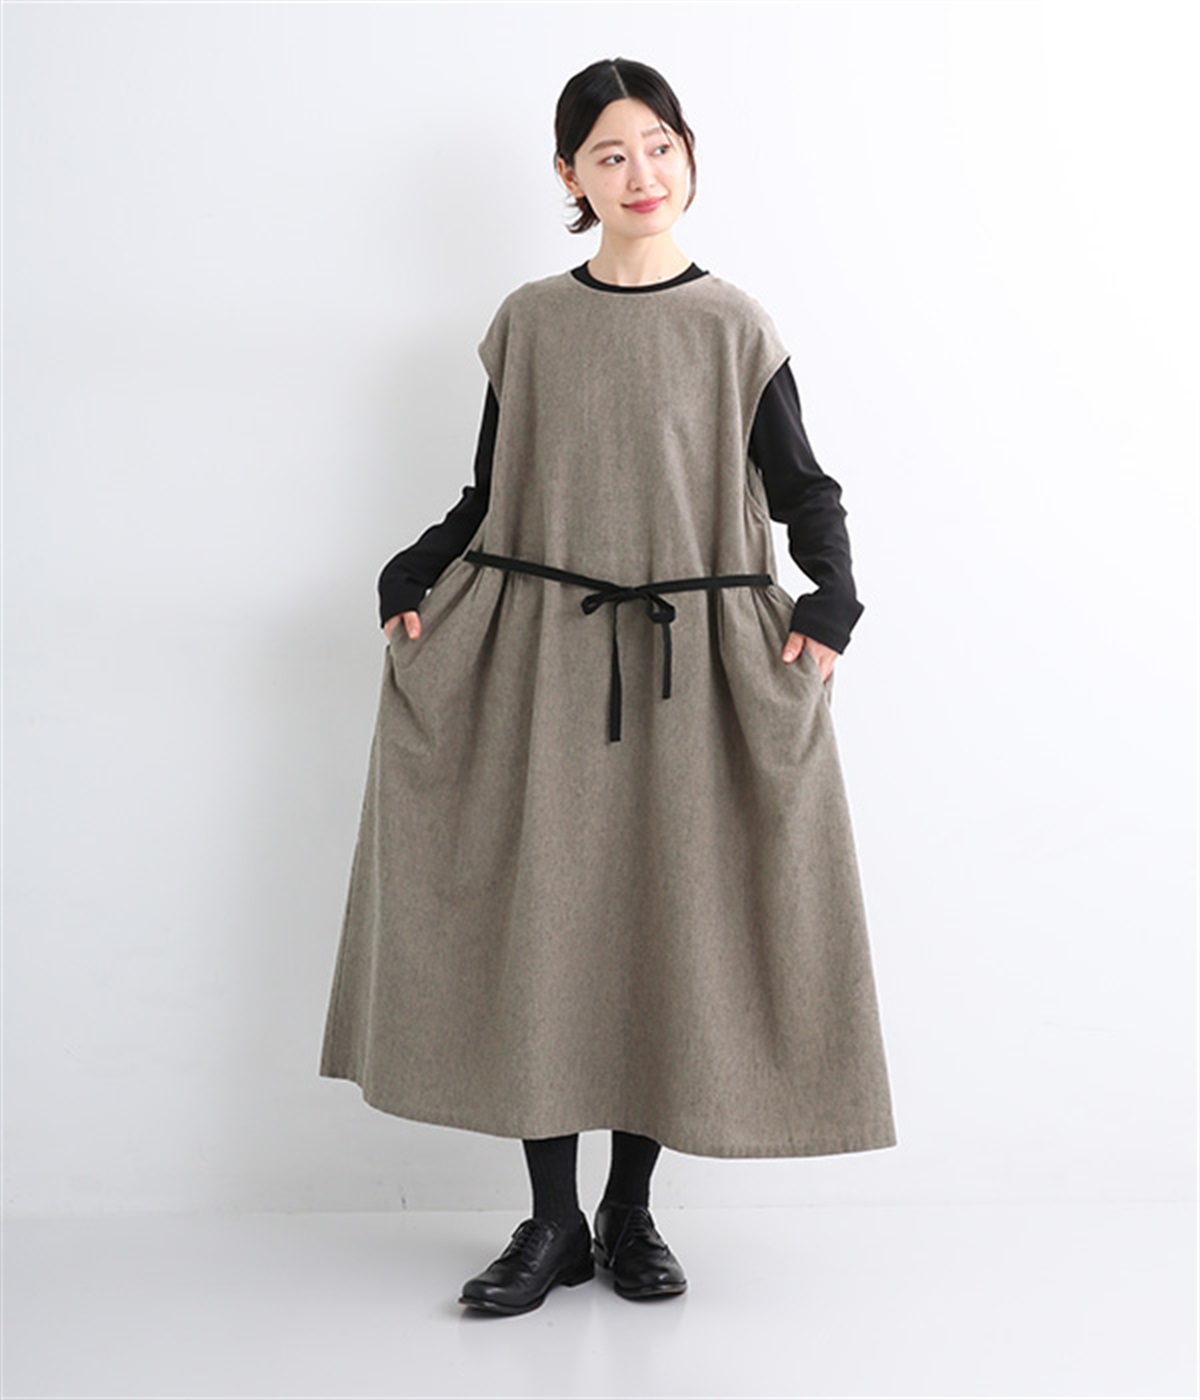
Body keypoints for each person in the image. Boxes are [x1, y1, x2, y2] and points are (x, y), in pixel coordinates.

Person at [320, 56, 897, 1317]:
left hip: (698, 668)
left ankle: (630, 1210)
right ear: (570, 175)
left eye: (660, 146)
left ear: (688, 154)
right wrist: (414, 569)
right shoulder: (530, 322)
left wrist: (832, 602)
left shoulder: (735, 325)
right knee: (551, 924)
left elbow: (806, 490)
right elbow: (491, 494)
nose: (642, 173)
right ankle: (552, 1220)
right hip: (544, 658)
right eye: (611, 154)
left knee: (664, 924)